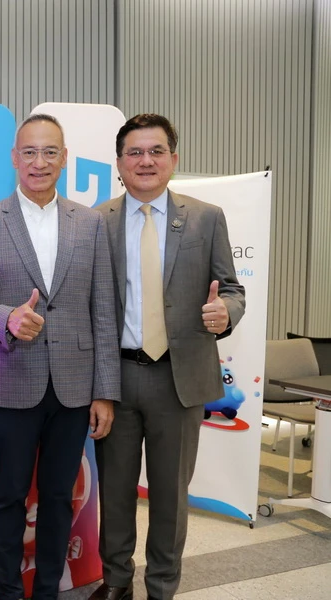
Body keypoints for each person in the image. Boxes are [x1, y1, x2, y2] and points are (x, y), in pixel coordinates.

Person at [0, 113, 121, 600]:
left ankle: (48, 590)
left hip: (74, 386)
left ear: (64, 158)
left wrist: (105, 392)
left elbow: (103, 312)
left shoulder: (90, 223)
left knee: (58, 497)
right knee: (8, 496)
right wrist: (6, 318)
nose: (39, 162)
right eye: (29, 151)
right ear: (14, 158)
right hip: (12, 379)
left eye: (50, 152)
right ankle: (8, 591)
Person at [90, 114, 246, 600]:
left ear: (173, 159)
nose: (146, 161)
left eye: (156, 151)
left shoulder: (206, 217)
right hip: (115, 378)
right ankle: (116, 581)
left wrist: (226, 311)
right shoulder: (96, 220)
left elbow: (233, 289)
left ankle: (161, 586)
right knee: (115, 491)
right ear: (120, 163)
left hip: (179, 380)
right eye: (134, 152)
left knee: (170, 495)